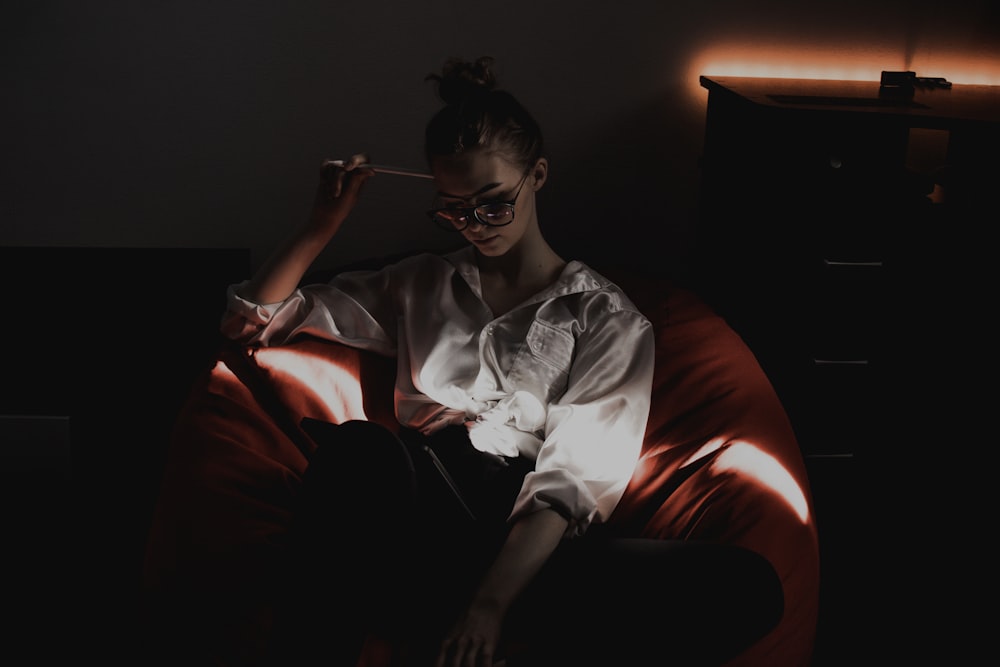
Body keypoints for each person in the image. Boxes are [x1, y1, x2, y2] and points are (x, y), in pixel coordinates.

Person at [220, 56, 783, 667]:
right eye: (454, 210)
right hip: (418, 509)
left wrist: (487, 607)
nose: (474, 225)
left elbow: (569, 484)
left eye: (492, 204)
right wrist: (321, 223)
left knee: (745, 585)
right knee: (359, 452)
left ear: (537, 175)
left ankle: (454, 613)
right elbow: (253, 320)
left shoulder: (602, 316)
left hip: (523, 541)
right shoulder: (421, 283)